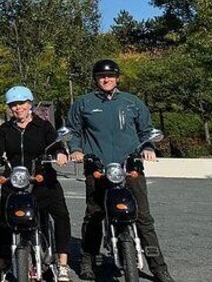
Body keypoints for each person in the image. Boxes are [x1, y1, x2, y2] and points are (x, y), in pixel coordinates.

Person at [67, 60, 175, 282]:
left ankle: (158, 267)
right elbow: (73, 130)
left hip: (130, 166)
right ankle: (88, 259)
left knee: (143, 217)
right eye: (101, 76)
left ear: (117, 78)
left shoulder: (132, 102)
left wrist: (147, 147)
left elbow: (146, 130)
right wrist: (76, 149)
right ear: (95, 79)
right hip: (97, 167)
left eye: (110, 76)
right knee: (94, 215)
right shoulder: (84, 103)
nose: (106, 79)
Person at [0, 86, 72, 282]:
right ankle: (1, 263)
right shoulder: (6, 128)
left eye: (21, 103)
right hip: (14, 180)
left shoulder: (43, 126)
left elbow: (55, 143)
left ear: (29, 104)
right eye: (13, 105)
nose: (17, 108)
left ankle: (62, 263)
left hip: (42, 179)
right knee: (4, 222)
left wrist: (60, 153)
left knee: (61, 216)